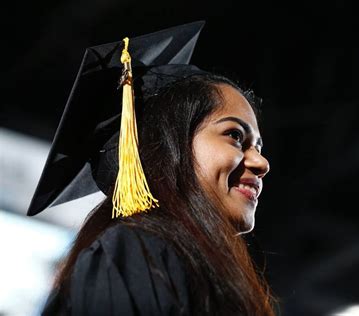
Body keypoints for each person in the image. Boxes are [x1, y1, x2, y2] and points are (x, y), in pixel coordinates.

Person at [27, 21, 279, 315]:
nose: (261, 163)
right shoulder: (136, 255)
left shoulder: (199, 269)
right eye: (235, 136)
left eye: (258, 147)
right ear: (166, 144)